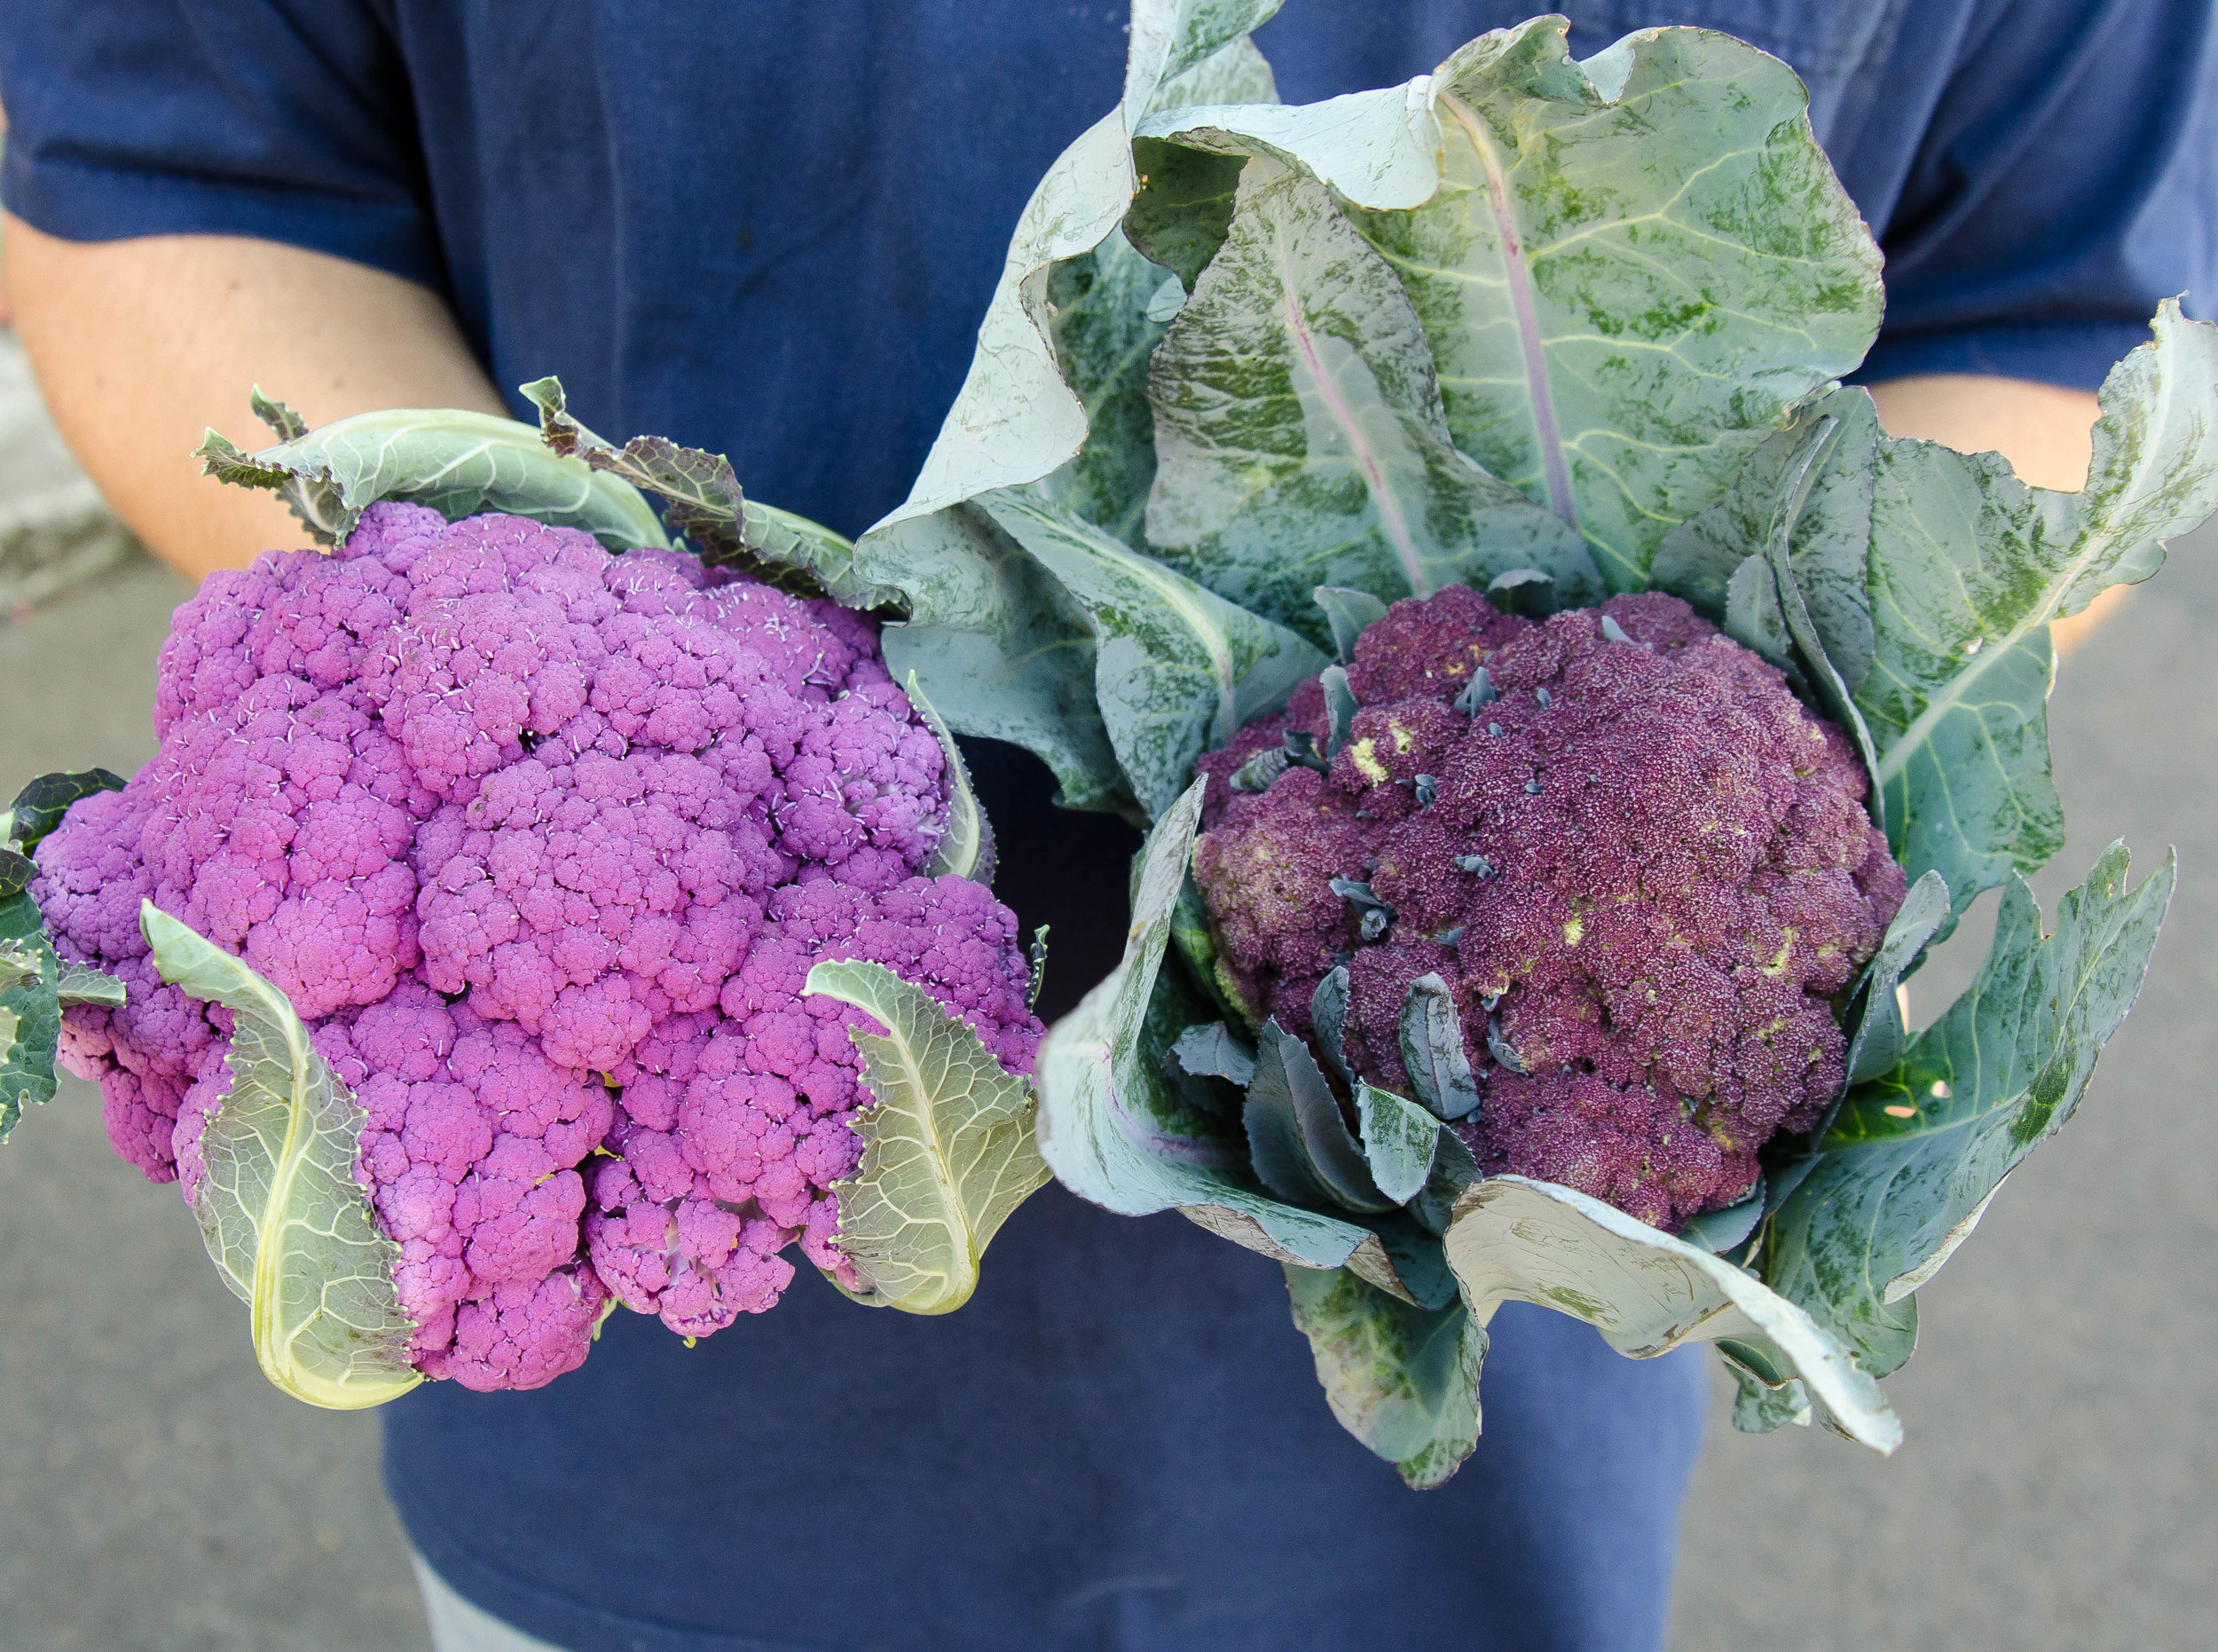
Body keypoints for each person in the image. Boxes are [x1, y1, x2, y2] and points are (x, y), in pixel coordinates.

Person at [2, 4, 2209, 1648]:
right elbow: (168, 168)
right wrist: (593, 696)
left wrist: (1693, 802)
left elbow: (2069, 310)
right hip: (657, 1369)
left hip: (1474, 1493)